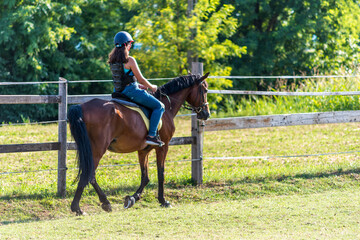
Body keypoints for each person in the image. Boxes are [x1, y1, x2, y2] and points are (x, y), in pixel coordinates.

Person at [107, 31, 165, 146]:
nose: (131, 46)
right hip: (131, 92)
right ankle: (152, 135)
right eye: (130, 43)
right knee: (159, 106)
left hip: (118, 92)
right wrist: (152, 87)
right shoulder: (130, 60)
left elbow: (122, 79)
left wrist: (138, 86)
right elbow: (141, 79)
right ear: (126, 45)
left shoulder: (112, 60)